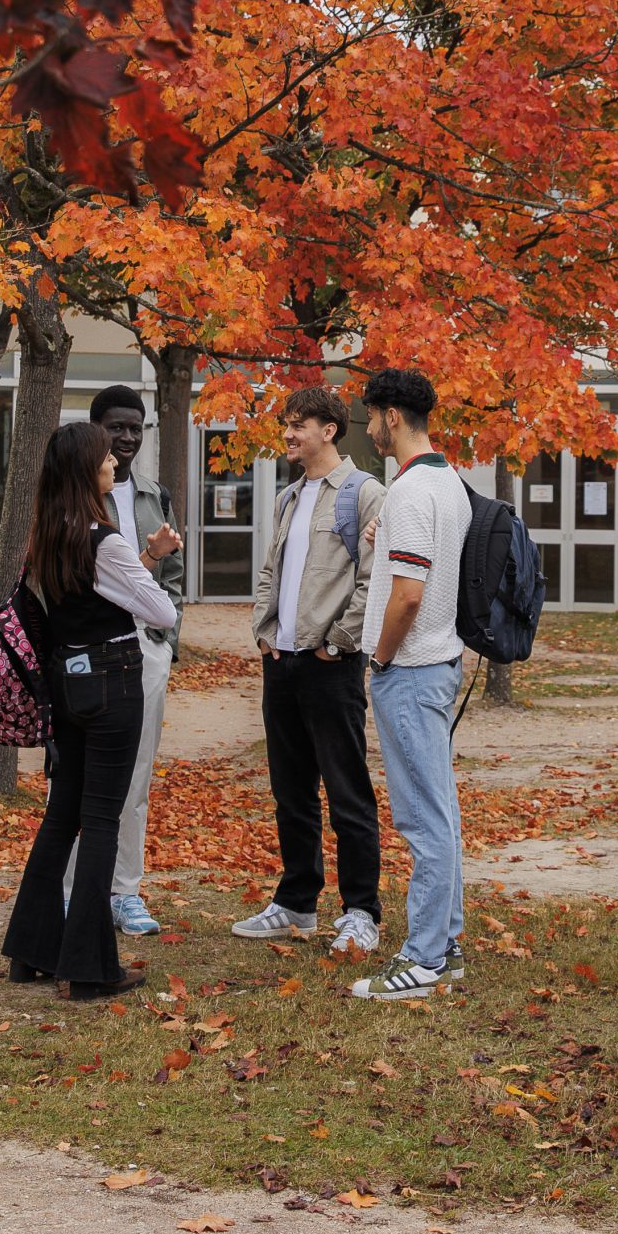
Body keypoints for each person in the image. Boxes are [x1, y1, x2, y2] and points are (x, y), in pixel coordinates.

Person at [2, 420, 183, 1000]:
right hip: (111, 683)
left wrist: (137, 564)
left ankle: (32, 950)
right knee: (102, 820)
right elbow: (161, 613)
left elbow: (78, 597)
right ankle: (87, 966)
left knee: (62, 817)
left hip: (67, 684)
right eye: (106, 457)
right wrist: (145, 563)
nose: (114, 464)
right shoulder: (102, 540)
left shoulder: (46, 534)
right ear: (87, 470)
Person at [235, 386, 389, 954]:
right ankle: (297, 904)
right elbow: (271, 570)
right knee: (290, 792)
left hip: (331, 668)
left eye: (300, 424)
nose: (290, 434)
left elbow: (375, 580)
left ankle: (360, 912)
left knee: (348, 792)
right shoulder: (289, 497)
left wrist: (338, 644)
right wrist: (264, 630)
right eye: (287, 424)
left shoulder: (364, 494)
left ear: (330, 429)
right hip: (283, 663)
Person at [350, 367, 469, 1001]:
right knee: (440, 812)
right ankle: (444, 944)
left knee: (423, 819)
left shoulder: (411, 491)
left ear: (392, 416)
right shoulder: (448, 481)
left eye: (370, 415)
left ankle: (423, 958)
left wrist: (382, 659)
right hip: (437, 664)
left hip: (412, 668)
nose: (366, 427)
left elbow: (408, 595)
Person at [66, 383, 183, 938]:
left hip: (145, 649)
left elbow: (169, 581)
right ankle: (70, 893)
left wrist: (167, 643)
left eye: (136, 427)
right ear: (97, 432)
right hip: (87, 654)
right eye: (117, 427)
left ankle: (124, 892)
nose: (128, 437)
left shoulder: (154, 494)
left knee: (136, 776)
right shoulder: (76, 499)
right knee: (76, 776)